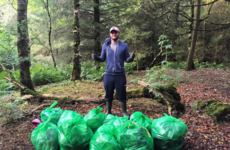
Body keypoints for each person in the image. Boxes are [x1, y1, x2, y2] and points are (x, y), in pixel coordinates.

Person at [92, 26, 135, 117]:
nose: (114, 34)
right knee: (108, 93)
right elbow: (102, 58)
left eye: (115, 32)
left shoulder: (124, 46)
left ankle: (124, 112)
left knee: (122, 93)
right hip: (108, 74)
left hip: (120, 74)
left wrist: (131, 58)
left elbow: (127, 59)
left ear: (118, 33)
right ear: (110, 34)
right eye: (112, 32)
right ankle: (108, 112)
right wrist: (96, 58)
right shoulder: (106, 46)